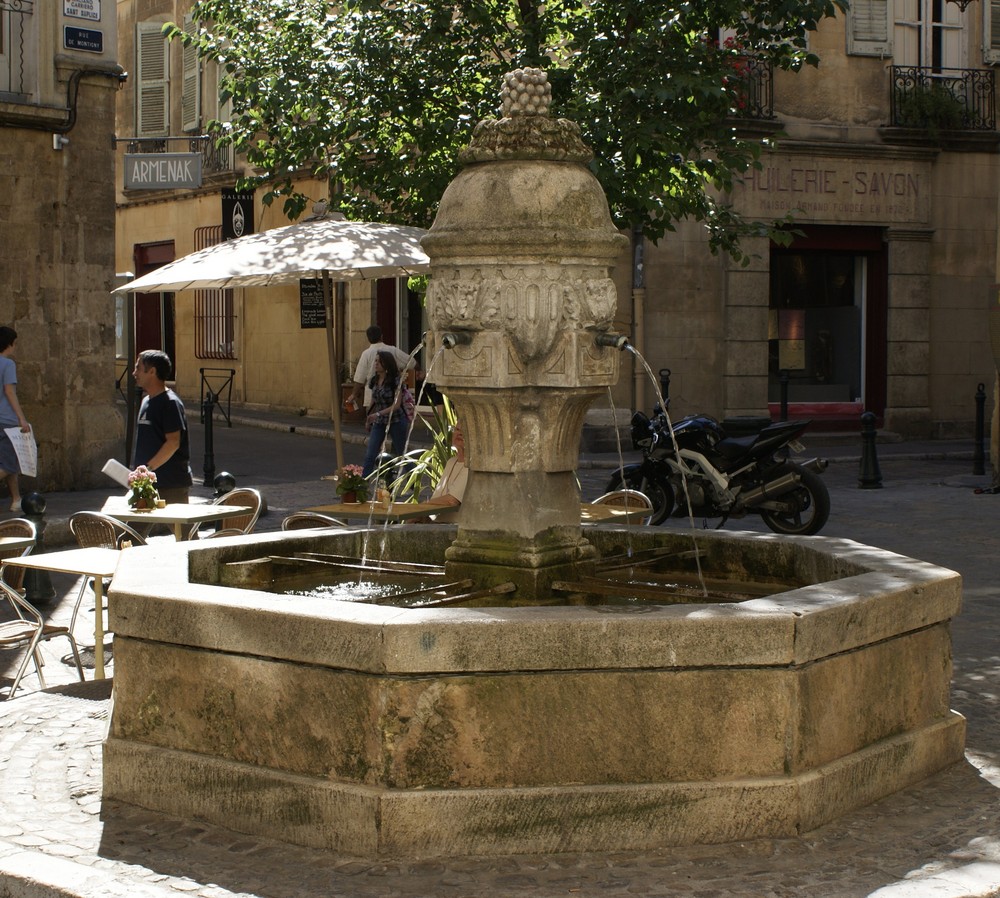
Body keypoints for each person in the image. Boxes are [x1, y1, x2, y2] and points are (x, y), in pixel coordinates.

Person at [132, 350, 194, 504]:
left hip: (171, 483)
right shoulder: (145, 401)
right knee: (135, 527)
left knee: (181, 527)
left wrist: (148, 468)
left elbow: (173, 442)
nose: (134, 373)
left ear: (152, 371)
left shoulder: (170, 403)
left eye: (138, 368)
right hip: (146, 482)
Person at [361, 351, 410, 479]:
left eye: (378, 361)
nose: (375, 364)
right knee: (370, 454)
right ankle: (362, 484)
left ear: (386, 364)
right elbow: (374, 401)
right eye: (375, 361)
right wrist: (369, 418)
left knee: (402, 453)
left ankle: (414, 481)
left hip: (396, 420)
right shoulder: (375, 380)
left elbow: (397, 404)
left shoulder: (395, 381)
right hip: (379, 422)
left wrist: (377, 414)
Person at [0, 327, 30, 512]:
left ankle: (16, 499)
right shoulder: (8, 364)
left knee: (8, 461)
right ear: (9, 343)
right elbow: (9, 391)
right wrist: (22, 419)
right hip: (7, 420)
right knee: (10, 464)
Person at [350, 325, 414, 411]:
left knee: (373, 420)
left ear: (368, 339)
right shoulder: (392, 350)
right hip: (390, 395)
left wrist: (353, 395)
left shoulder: (366, 354)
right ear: (381, 336)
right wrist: (420, 372)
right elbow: (411, 362)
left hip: (372, 397)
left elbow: (359, 378)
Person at [422, 423, 468, 523]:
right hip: (437, 523)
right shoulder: (451, 462)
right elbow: (437, 498)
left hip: (454, 528)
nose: (459, 434)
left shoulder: (471, 466)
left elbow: (451, 501)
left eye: (465, 431)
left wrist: (420, 507)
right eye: (457, 429)